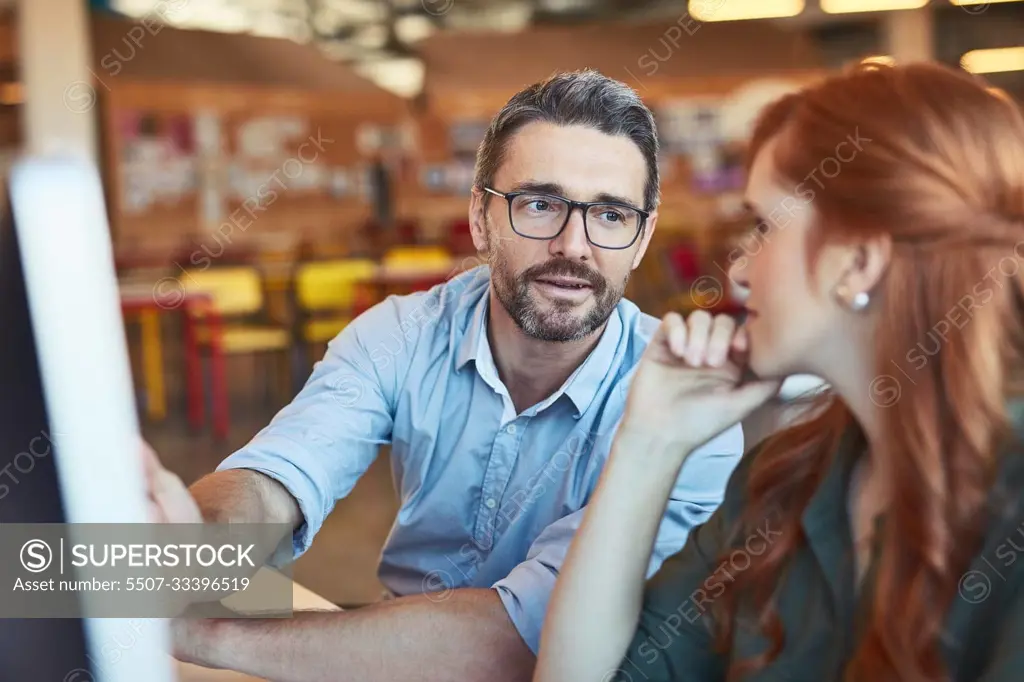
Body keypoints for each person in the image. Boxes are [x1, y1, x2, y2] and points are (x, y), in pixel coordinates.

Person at [147, 69, 745, 682]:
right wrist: (194, 545)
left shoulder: (688, 407)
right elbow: (277, 478)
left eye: (611, 215)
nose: (575, 245)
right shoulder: (403, 335)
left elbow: (519, 643)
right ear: (481, 217)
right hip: (388, 657)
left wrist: (197, 633)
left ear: (642, 238)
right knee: (69, 591)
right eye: (540, 205)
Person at [535, 61, 1024, 682]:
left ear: (859, 263)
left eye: (765, 227)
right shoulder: (783, 479)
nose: (738, 271)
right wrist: (649, 444)